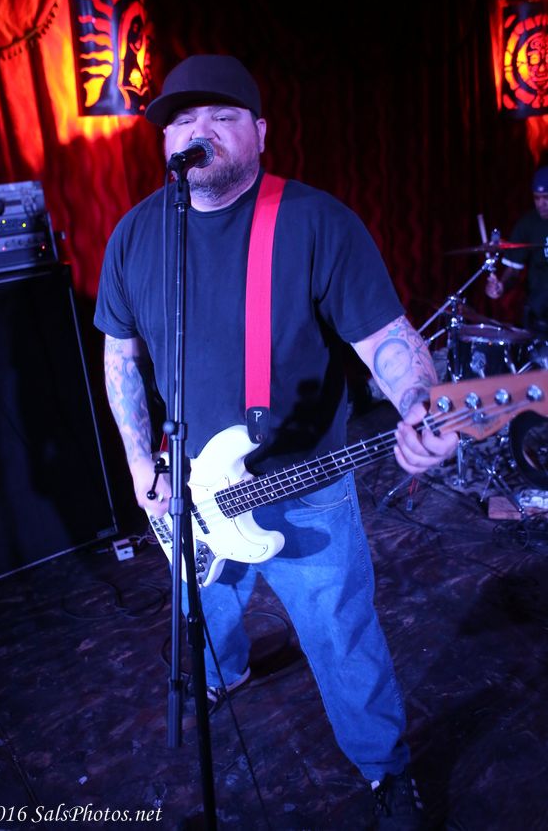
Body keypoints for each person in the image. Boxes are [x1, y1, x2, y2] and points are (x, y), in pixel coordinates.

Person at [94, 54, 458, 829]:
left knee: (342, 634)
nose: (198, 133)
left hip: (303, 487)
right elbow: (120, 354)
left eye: (221, 117)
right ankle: (222, 673)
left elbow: (387, 340)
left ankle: (384, 770)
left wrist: (420, 403)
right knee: (207, 605)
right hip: (188, 487)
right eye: (182, 122)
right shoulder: (134, 236)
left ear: (260, 132)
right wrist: (139, 464)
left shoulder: (314, 222)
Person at [485, 165, 548, 337]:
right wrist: (501, 286)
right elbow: (513, 270)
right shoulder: (527, 224)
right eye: (537, 198)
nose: (541, 204)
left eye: (546, 198)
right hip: (539, 313)